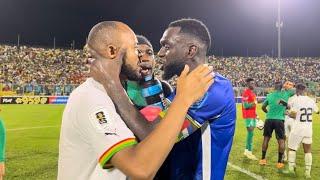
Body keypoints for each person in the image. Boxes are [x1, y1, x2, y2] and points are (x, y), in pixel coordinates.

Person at [58, 21, 213, 180]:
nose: (140, 55)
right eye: (134, 48)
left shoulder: (115, 95)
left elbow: (150, 137)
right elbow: (141, 168)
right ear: (112, 51)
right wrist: (183, 99)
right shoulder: (91, 97)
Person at [91, 18, 236, 180]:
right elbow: (152, 124)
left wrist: (111, 82)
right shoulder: (184, 90)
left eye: (167, 46)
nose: (160, 53)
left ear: (190, 51)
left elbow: (150, 134)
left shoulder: (211, 89)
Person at [284, 83, 319, 178]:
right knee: (308, 150)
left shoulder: (296, 100)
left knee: (292, 148)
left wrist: (287, 112)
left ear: (297, 90)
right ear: (305, 90)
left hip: (297, 129)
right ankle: (307, 173)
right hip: (308, 129)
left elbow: (293, 115)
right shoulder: (311, 100)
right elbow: (317, 111)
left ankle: (291, 169)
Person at [260, 81, 294, 169]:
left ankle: (263, 159)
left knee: (266, 138)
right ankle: (279, 162)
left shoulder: (269, 95)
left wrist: (268, 113)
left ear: (274, 87)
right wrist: (288, 85)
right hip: (279, 120)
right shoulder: (286, 94)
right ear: (282, 87)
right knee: (281, 140)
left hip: (269, 119)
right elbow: (294, 90)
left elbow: (263, 107)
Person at [242, 78, 258, 160]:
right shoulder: (246, 93)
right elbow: (245, 106)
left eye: (254, 83)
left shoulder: (252, 93)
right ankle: (249, 152)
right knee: (250, 133)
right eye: (251, 83)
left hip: (252, 115)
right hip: (248, 116)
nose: (253, 85)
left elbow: (253, 106)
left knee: (251, 133)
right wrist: (254, 103)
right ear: (248, 84)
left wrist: (256, 114)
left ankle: (246, 150)